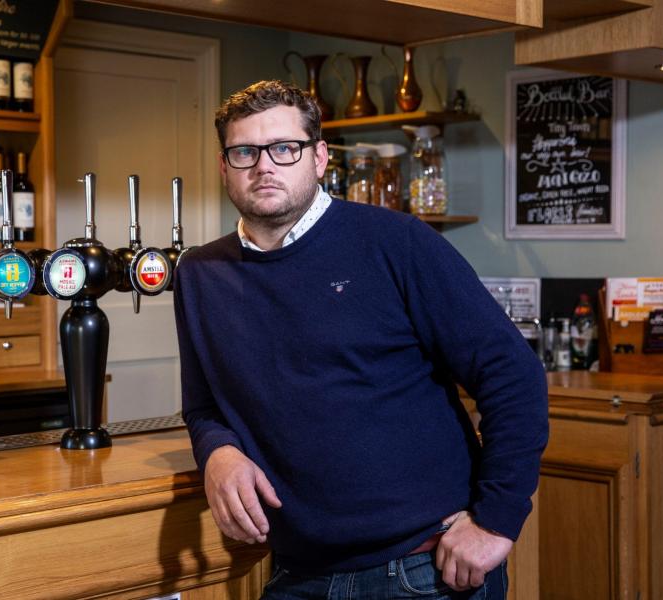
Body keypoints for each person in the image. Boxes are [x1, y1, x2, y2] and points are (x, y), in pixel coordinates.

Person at [173, 80, 548, 599]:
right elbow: (203, 405)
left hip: (423, 570)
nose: (265, 166)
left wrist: (496, 523)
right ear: (224, 166)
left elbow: (514, 374)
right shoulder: (200, 273)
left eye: (285, 148)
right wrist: (218, 453)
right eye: (245, 151)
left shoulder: (397, 242)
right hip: (297, 571)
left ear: (320, 157)